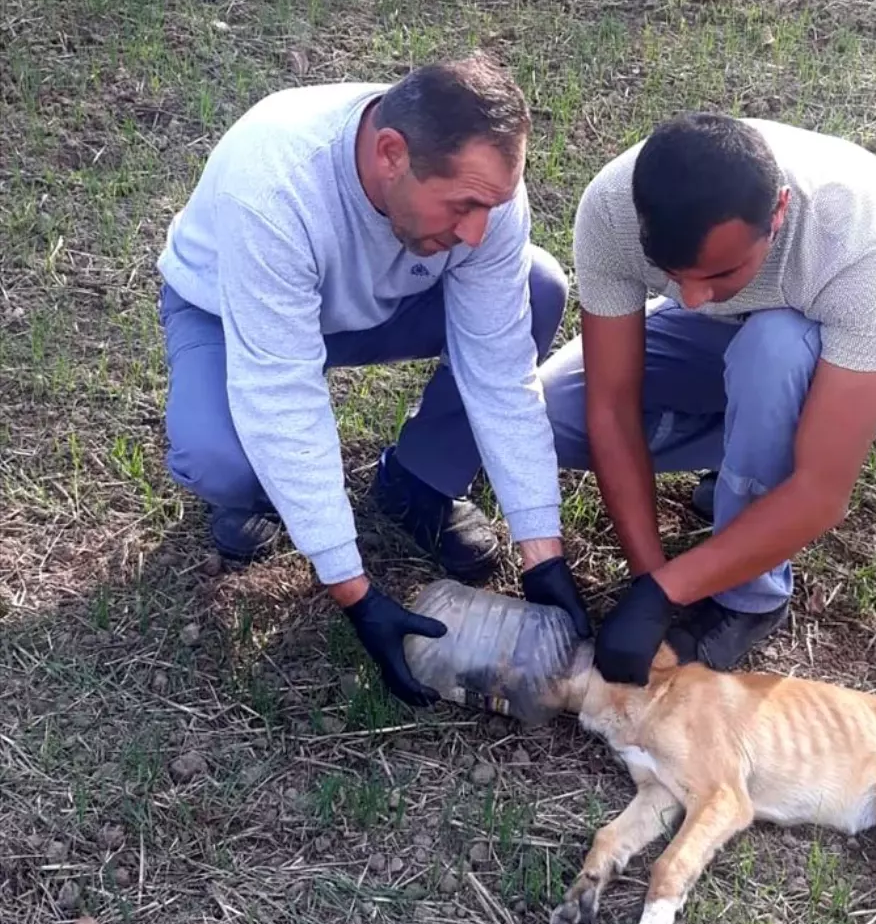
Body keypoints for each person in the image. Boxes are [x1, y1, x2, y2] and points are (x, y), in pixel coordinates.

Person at [157, 53, 589, 706]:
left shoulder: (485, 186)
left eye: (490, 208)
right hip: (230, 310)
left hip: (375, 306)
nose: (476, 231)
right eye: (462, 206)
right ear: (391, 153)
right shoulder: (276, 183)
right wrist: (353, 590)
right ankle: (259, 495)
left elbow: (499, 371)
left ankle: (418, 481)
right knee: (223, 458)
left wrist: (542, 551)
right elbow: (281, 394)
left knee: (538, 283)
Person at [541, 112, 876, 684]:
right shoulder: (612, 207)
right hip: (739, 337)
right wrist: (649, 577)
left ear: (777, 212)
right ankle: (745, 458)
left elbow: (821, 492)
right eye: (671, 274)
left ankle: (750, 598)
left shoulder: (857, 240)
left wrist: (673, 588)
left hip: (853, 348)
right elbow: (610, 405)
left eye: (722, 272)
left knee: (771, 354)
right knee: (558, 412)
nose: (693, 298)